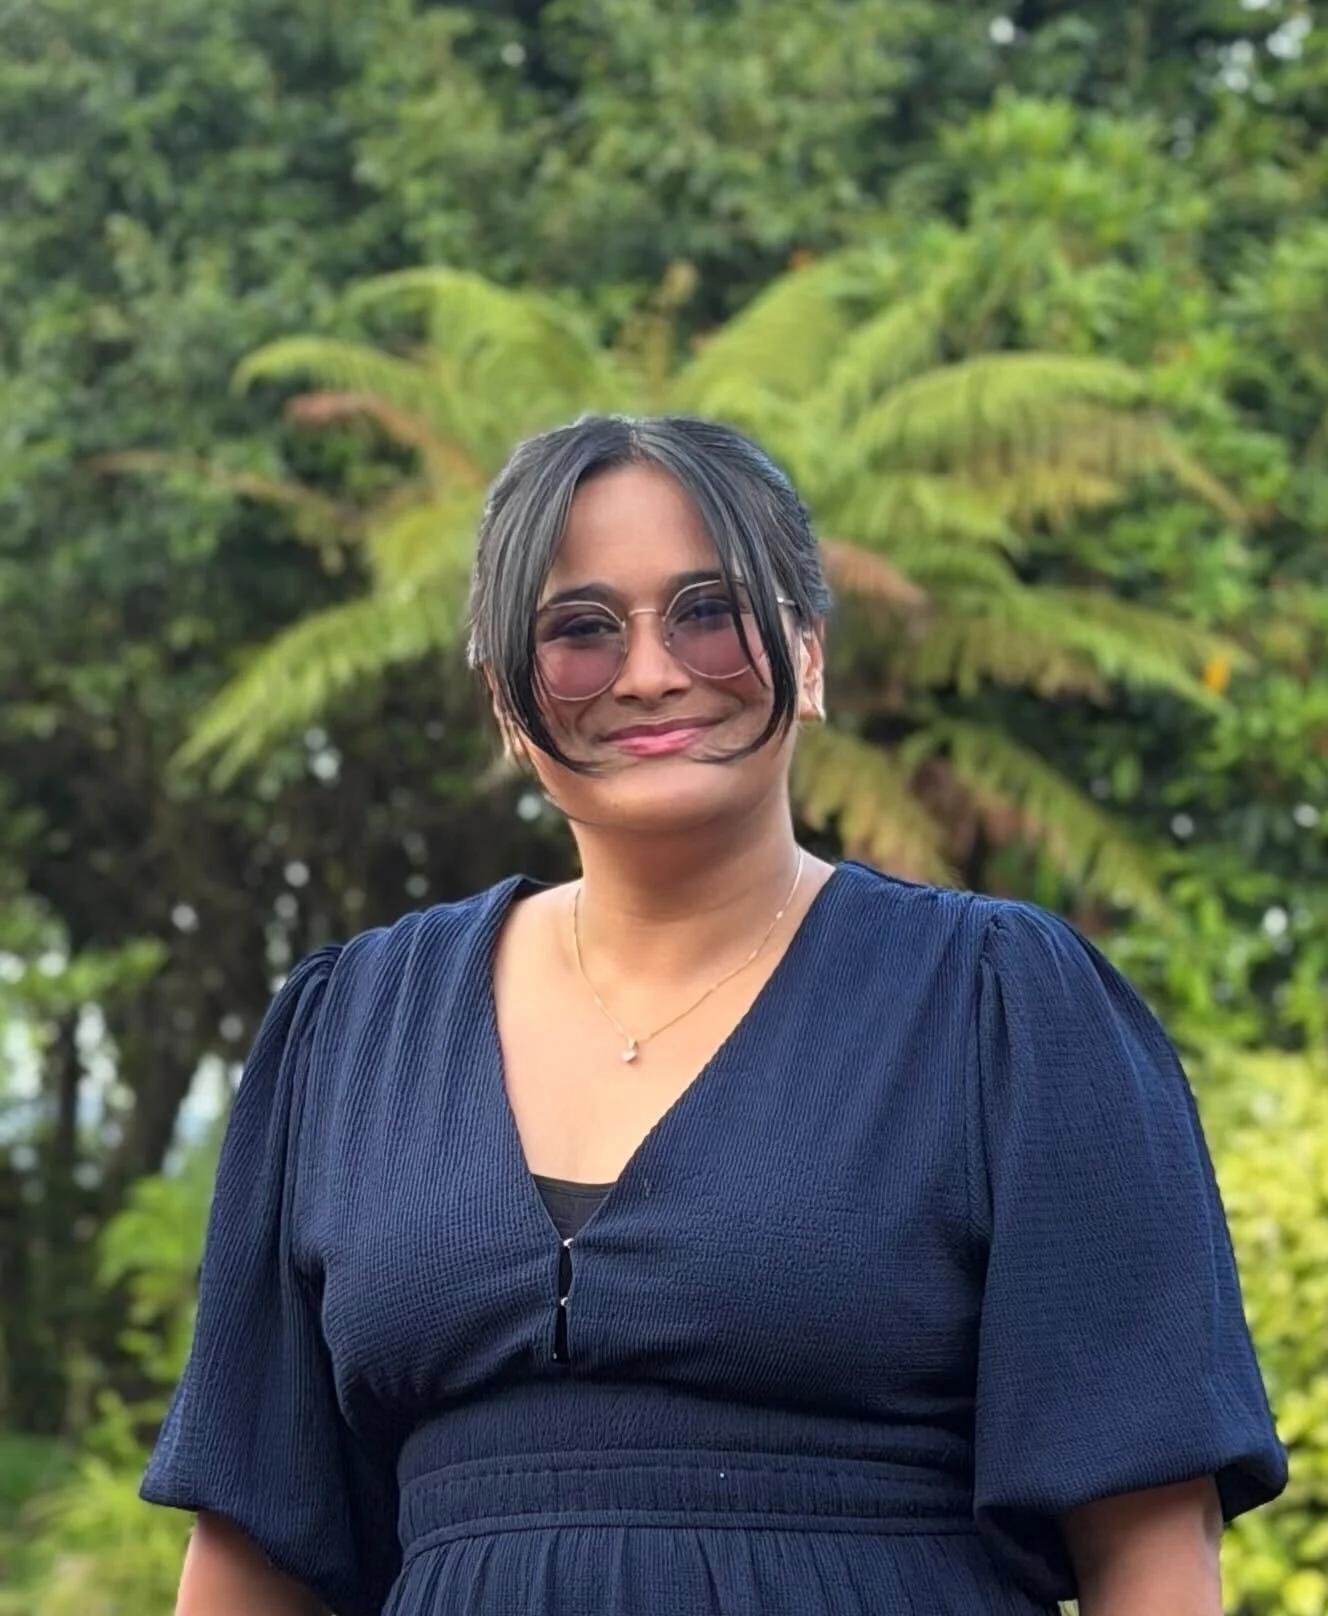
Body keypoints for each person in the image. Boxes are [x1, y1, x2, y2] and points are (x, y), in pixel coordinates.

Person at [142, 415, 1287, 1616]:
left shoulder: (1002, 1008)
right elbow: (255, 1558)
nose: (647, 672)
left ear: (807, 649)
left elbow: (1147, 1554)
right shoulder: (351, 1033)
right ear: (502, 694)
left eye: (707, 610)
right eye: (576, 631)